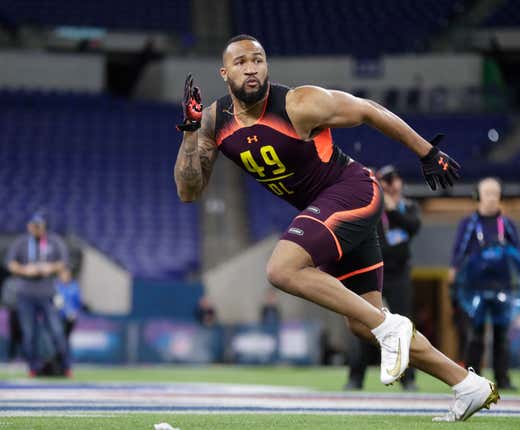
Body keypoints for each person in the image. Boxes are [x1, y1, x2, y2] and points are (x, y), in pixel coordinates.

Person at [173, 34, 498, 421]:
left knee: (283, 268)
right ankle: (467, 384)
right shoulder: (212, 121)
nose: (251, 68)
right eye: (241, 62)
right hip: (330, 210)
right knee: (363, 324)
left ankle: (390, 327)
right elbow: (189, 190)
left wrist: (425, 151)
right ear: (225, 73)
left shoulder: (298, 103)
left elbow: (368, 110)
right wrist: (192, 133)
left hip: (354, 192)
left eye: (258, 60)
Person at [344, 165, 420, 391]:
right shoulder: (372, 205)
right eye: (387, 180)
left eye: (395, 179)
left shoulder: (408, 207)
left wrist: (393, 209)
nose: (392, 184)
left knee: (405, 325)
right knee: (364, 322)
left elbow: (413, 227)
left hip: (399, 274)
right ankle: (355, 377)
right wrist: (381, 203)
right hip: (373, 272)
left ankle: (409, 380)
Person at [449, 177, 520, 390]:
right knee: (475, 335)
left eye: (496, 193)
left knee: (501, 336)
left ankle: (503, 379)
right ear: (478, 197)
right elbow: (459, 253)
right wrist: (454, 275)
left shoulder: (507, 224)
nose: (492, 198)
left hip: (502, 287)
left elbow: (518, 254)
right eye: (488, 193)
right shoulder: (469, 224)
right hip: (475, 288)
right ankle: (474, 379)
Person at [4, 211, 71, 377]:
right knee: (29, 334)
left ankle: (66, 366)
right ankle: (33, 368)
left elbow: (64, 263)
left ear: (44, 226)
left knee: (56, 331)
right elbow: (10, 264)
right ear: (29, 226)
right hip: (26, 294)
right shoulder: (21, 243)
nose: (36, 229)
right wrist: (25, 270)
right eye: (34, 225)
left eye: (39, 226)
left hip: (48, 293)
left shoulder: (54, 242)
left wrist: (50, 267)